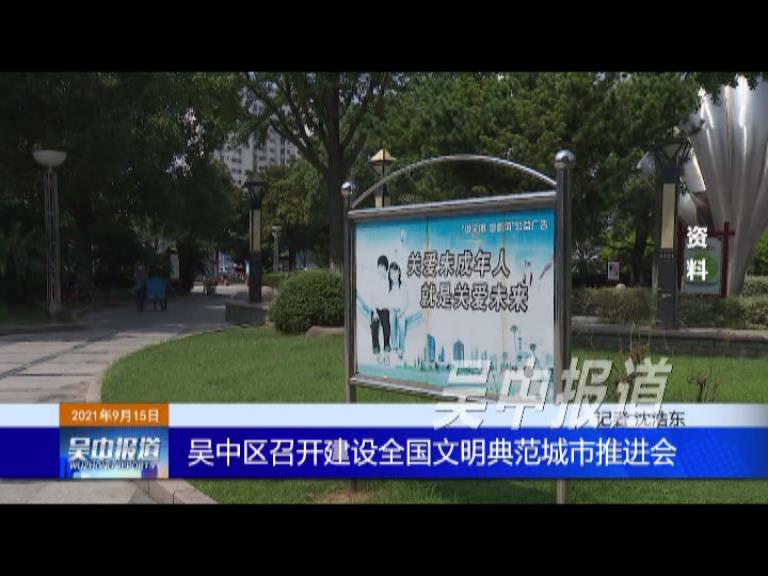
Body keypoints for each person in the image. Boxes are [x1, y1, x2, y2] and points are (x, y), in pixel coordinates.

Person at [387, 261, 409, 359]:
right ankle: (395, 347)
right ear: (389, 275)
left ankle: (401, 349)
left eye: (395, 272)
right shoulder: (389, 286)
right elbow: (386, 299)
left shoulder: (403, 285)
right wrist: (390, 308)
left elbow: (406, 300)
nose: (394, 275)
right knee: (392, 329)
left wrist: (402, 311)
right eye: (392, 273)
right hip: (392, 310)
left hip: (401, 311)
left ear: (399, 272)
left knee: (402, 329)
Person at [370, 255, 391, 355]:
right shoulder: (374, 281)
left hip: (385, 309)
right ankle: (375, 346)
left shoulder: (388, 282)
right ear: (377, 267)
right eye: (380, 266)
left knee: (386, 326)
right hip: (375, 309)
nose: (381, 269)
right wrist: (374, 312)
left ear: (386, 269)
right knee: (374, 326)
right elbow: (372, 298)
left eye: (383, 267)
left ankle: (386, 344)